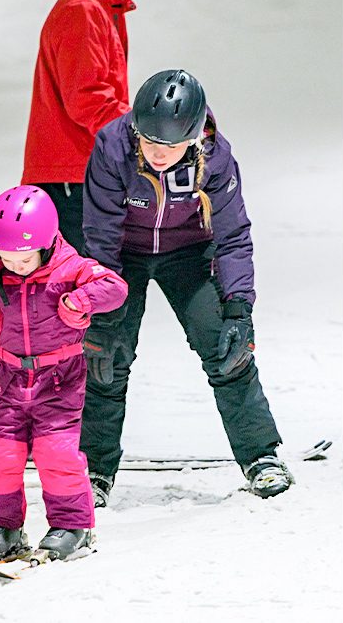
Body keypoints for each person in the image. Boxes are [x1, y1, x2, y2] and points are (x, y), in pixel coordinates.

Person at [79, 69, 288, 506]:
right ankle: (92, 469)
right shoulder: (112, 146)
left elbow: (232, 236)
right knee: (106, 356)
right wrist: (98, 312)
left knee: (227, 351)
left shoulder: (216, 156)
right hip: (122, 256)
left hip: (188, 254)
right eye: (150, 142)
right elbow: (99, 234)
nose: (158, 154)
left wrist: (239, 309)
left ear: (193, 136)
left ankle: (260, 457)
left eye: (171, 146)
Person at [0, 186, 128, 561]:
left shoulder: (70, 268)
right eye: (5, 257)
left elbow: (115, 287)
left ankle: (72, 526)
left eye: (24, 258)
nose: (14, 265)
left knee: (56, 453)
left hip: (59, 378)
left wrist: (81, 300)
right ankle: (2, 525)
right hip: (10, 378)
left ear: (46, 243)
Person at [21, 0, 150, 253]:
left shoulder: (98, 8)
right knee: (89, 285)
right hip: (71, 174)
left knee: (97, 285)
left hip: (81, 170)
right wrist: (141, 132)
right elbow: (87, 98)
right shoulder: (83, 10)